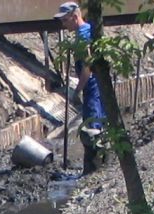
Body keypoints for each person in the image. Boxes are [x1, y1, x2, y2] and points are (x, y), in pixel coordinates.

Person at [54, 1, 107, 174]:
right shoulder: (83, 32)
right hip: (93, 86)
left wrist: (77, 91)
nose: (63, 24)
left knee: (92, 128)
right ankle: (99, 167)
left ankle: (95, 170)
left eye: (65, 20)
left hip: (92, 86)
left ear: (75, 16)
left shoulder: (83, 36)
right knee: (95, 123)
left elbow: (87, 69)